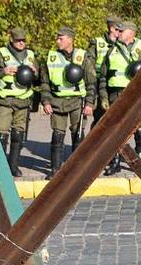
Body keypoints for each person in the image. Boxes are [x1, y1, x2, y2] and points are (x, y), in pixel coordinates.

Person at [99, 21, 141, 175]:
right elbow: (103, 77)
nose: (117, 34)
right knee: (115, 131)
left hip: (138, 96)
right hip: (116, 96)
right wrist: (104, 97)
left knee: (140, 130)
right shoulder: (111, 51)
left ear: (131, 33)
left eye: (121, 31)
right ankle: (115, 162)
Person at [0, 28, 39, 177]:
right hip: (6, 100)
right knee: (1, 131)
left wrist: (35, 72)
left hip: (24, 100)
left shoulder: (31, 55)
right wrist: (3, 71)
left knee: (18, 133)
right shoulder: (0, 54)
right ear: (11, 40)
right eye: (18, 40)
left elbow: (40, 77)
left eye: (23, 40)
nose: (21, 43)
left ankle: (13, 165)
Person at [41, 26, 96, 179]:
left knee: (77, 134)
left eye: (61, 38)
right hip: (57, 102)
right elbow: (44, 83)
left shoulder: (83, 56)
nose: (57, 41)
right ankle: (55, 170)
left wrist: (90, 104)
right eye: (57, 38)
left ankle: (78, 169)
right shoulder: (51, 57)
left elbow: (91, 81)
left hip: (77, 101)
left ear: (70, 39)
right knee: (57, 135)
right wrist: (46, 101)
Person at [87, 16, 123, 129]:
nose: (120, 33)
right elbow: (89, 64)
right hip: (99, 83)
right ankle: (94, 143)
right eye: (118, 30)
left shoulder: (122, 43)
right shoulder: (97, 42)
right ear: (111, 28)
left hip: (114, 84)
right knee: (99, 116)